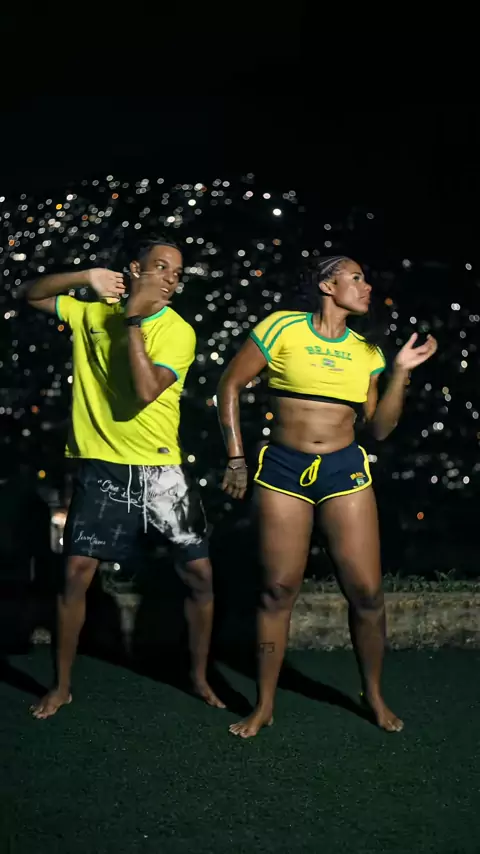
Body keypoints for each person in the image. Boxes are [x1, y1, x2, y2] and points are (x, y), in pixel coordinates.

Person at [218, 255, 437, 738]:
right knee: (278, 590)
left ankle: (373, 694)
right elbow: (229, 384)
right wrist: (235, 458)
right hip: (283, 469)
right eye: (356, 277)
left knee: (367, 592)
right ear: (326, 285)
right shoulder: (281, 328)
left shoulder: (367, 353)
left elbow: (379, 429)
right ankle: (264, 704)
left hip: (343, 471)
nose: (366, 285)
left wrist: (401, 372)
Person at [27, 236, 225, 718]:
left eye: (177, 272)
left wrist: (133, 320)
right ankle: (62, 685)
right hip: (102, 466)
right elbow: (28, 294)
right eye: (161, 267)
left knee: (200, 576)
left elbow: (145, 391)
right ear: (135, 269)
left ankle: (199, 676)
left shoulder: (177, 331)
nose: (171, 278)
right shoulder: (91, 314)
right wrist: (86, 277)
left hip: (162, 471)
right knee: (76, 574)